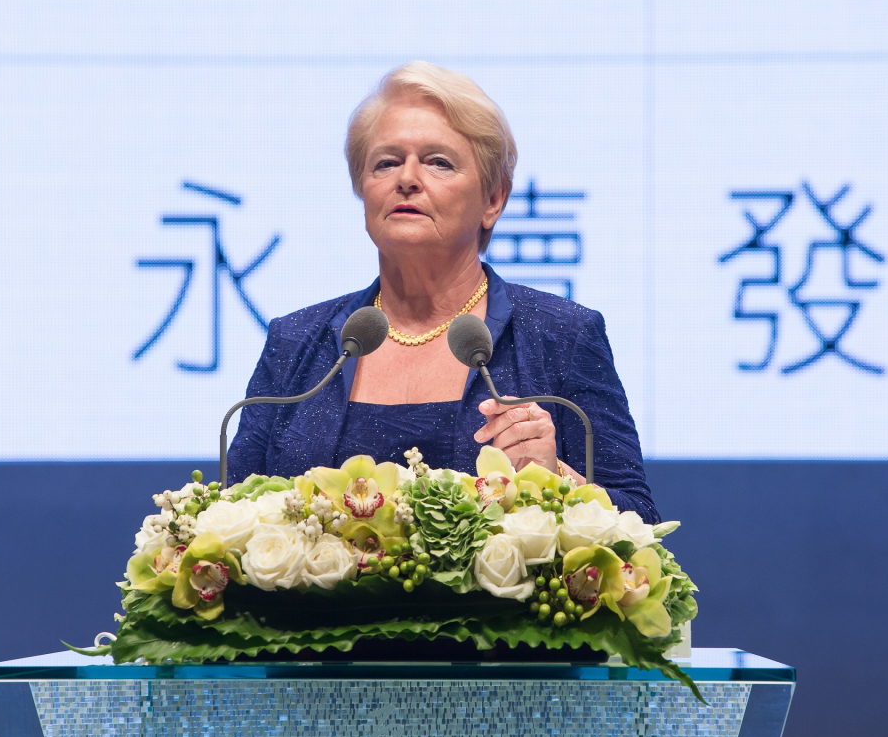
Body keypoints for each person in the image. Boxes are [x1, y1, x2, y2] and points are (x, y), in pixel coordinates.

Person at [227, 62, 657, 522]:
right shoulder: (296, 342)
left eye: (438, 162)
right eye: (386, 162)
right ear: (363, 190)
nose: (407, 178)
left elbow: (641, 521)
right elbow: (230, 515)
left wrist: (558, 482)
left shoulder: (563, 336)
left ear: (493, 200)